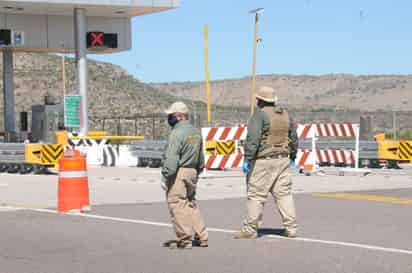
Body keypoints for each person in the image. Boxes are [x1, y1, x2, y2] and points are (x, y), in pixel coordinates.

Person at [234, 86, 298, 239]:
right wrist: (293, 157)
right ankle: (291, 228)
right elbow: (294, 138)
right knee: (284, 195)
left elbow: (253, 139)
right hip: (283, 159)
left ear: (260, 100)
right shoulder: (285, 115)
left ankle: (250, 229)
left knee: (256, 195)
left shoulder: (259, 115)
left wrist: (247, 158)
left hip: (263, 160)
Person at [161, 101, 209, 249]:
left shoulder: (176, 133)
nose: (169, 118)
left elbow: (171, 158)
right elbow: (201, 155)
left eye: (171, 115)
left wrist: (166, 175)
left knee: (177, 203)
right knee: (191, 203)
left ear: (180, 116)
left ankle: (185, 239)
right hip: (193, 171)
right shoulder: (195, 132)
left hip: (179, 172)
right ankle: (202, 236)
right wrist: (198, 170)